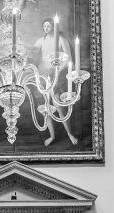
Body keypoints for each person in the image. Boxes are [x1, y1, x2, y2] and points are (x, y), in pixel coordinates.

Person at [33, 17, 78, 146]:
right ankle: (52, 136)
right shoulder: (41, 40)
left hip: (56, 76)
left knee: (58, 107)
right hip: (41, 76)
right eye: (44, 26)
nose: (46, 28)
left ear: (54, 27)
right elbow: (31, 51)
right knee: (46, 107)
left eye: (48, 26)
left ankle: (70, 134)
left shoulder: (62, 40)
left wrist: (57, 71)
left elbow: (69, 59)